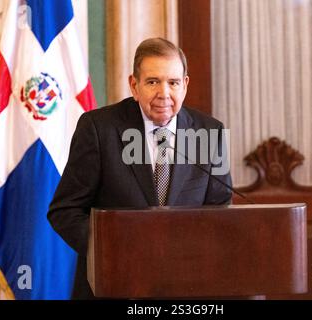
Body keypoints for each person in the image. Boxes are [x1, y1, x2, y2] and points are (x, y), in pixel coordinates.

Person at [47, 38, 232, 299]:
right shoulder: (98, 128)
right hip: (112, 285)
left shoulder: (210, 132)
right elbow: (65, 210)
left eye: (173, 83)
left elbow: (220, 209)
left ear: (185, 85)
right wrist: (111, 251)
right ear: (134, 85)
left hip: (186, 289)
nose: (164, 93)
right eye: (153, 82)